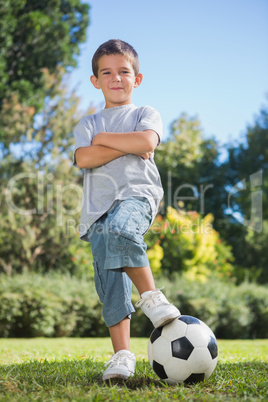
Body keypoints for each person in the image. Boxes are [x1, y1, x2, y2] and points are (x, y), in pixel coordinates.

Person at [73, 39, 180, 381]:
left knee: (122, 231)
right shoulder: (88, 125)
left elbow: (147, 142)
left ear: (138, 78)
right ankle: (122, 355)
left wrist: (105, 142)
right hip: (96, 210)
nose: (116, 78)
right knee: (110, 280)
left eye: (124, 71)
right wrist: (122, 144)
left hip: (137, 195)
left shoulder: (144, 114)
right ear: (95, 80)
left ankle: (150, 296)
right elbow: (84, 158)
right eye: (107, 72)